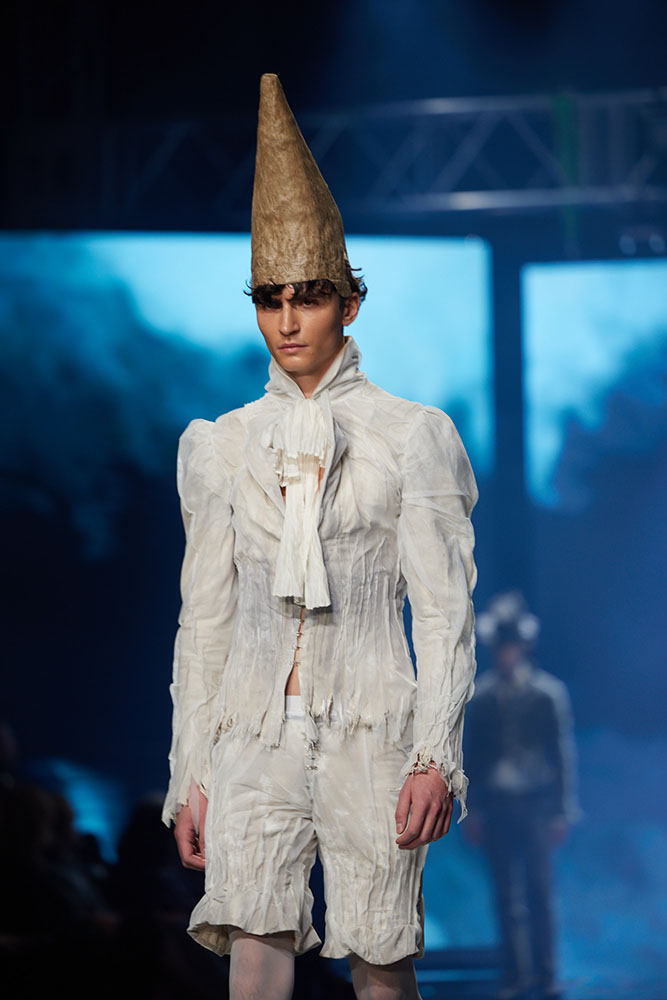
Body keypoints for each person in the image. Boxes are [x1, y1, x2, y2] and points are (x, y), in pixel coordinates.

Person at [162, 73, 478, 1000]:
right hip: (249, 735)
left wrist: (435, 755)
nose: (288, 320)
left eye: (307, 297)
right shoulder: (222, 446)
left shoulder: (410, 436)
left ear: (348, 301)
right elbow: (204, 623)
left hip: (374, 729)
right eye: (270, 299)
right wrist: (190, 772)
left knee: (379, 961)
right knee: (254, 959)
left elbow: (445, 612)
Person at [464, 591, 580, 1000]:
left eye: (511, 646)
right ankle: (516, 975)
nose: (506, 654)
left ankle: (546, 975)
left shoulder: (547, 694)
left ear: (523, 646)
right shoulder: (483, 697)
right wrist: (473, 809)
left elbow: (561, 755)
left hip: (535, 804)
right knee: (505, 893)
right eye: (501, 647)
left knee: (539, 891)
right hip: (498, 804)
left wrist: (562, 810)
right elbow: (473, 758)